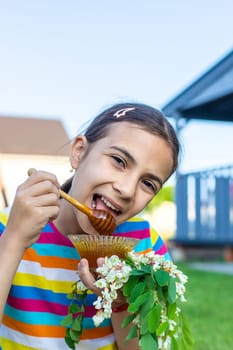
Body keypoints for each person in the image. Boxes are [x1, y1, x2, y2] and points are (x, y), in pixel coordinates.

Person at [0, 102, 179, 350]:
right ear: (79, 152)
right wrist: (14, 241)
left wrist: (121, 301)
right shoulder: (8, 226)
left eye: (148, 183)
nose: (126, 190)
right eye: (118, 160)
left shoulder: (146, 248)